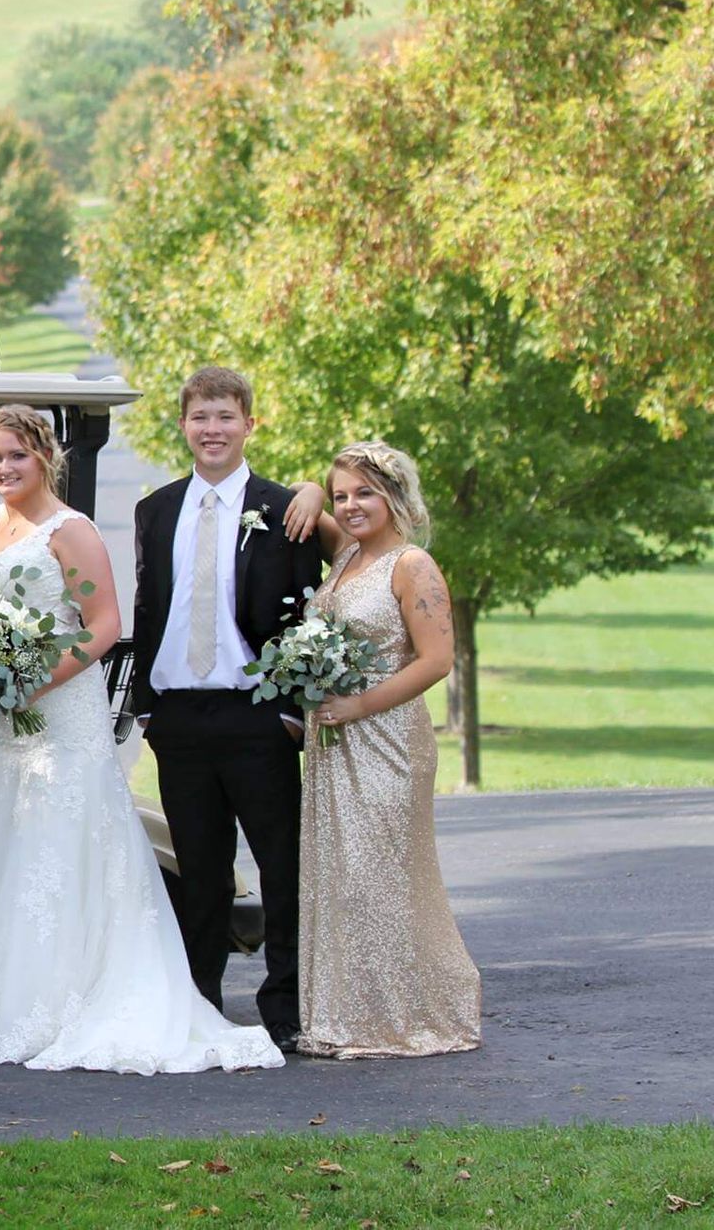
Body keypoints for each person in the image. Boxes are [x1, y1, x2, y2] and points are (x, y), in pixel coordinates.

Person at [0, 406, 283, 1073]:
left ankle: (58, 1007)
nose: (3, 468)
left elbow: (105, 623)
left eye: (16, 457)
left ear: (45, 458)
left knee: (53, 856)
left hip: (55, 718)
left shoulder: (70, 530)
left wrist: (31, 683)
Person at [128, 366, 323, 1055]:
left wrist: (293, 712)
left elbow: (308, 613)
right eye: (200, 417)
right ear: (182, 425)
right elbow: (151, 609)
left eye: (225, 417)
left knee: (280, 866)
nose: (212, 429)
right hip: (179, 719)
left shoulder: (285, 509)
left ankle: (287, 1007)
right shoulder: (154, 511)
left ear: (249, 424)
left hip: (257, 715)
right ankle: (201, 1005)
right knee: (201, 873)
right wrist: (147, 710)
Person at [293, 442, 479, 1058]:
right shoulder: (345, 556)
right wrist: (316, 492)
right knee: (342, 874)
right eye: (343, 494)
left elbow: (437, 659)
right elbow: (306, 504)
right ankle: (348, 1015)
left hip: (388, 740)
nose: (350, 506)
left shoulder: (410, 563)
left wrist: (360, 706)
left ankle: (402, 1016)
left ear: (395, 497)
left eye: (364, 493)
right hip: (334, 744)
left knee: (383, 873)